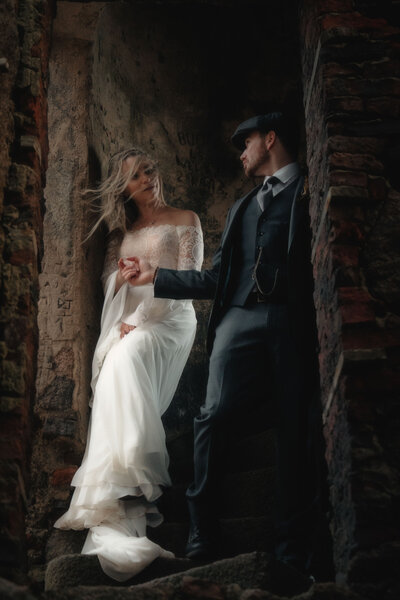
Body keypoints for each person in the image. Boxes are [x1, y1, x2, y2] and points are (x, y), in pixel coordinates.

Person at [128, 112, 328, 592]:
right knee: (212, 416)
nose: (240, 152)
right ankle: (201, 530)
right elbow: (218, 278)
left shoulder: (313, 187)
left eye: (247, 142)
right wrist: (158, 277)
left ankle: (292, 547)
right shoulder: (242, 208)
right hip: (238, 318)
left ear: (271, 140)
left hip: (292, 319)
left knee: (294, 428)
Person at [54, 148, 204, 581]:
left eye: (149, 170)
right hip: (127, 326)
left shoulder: (186, 219)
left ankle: (130, 486)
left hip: (170, 320)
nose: (146, 179)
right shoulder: (122, 233)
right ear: (123, 189)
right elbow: (108, 281)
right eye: (135, 177)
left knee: (125, 355)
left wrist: (138, 320)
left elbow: (190, 280)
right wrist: (123, 275)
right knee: (120, 358)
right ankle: (124, 503)